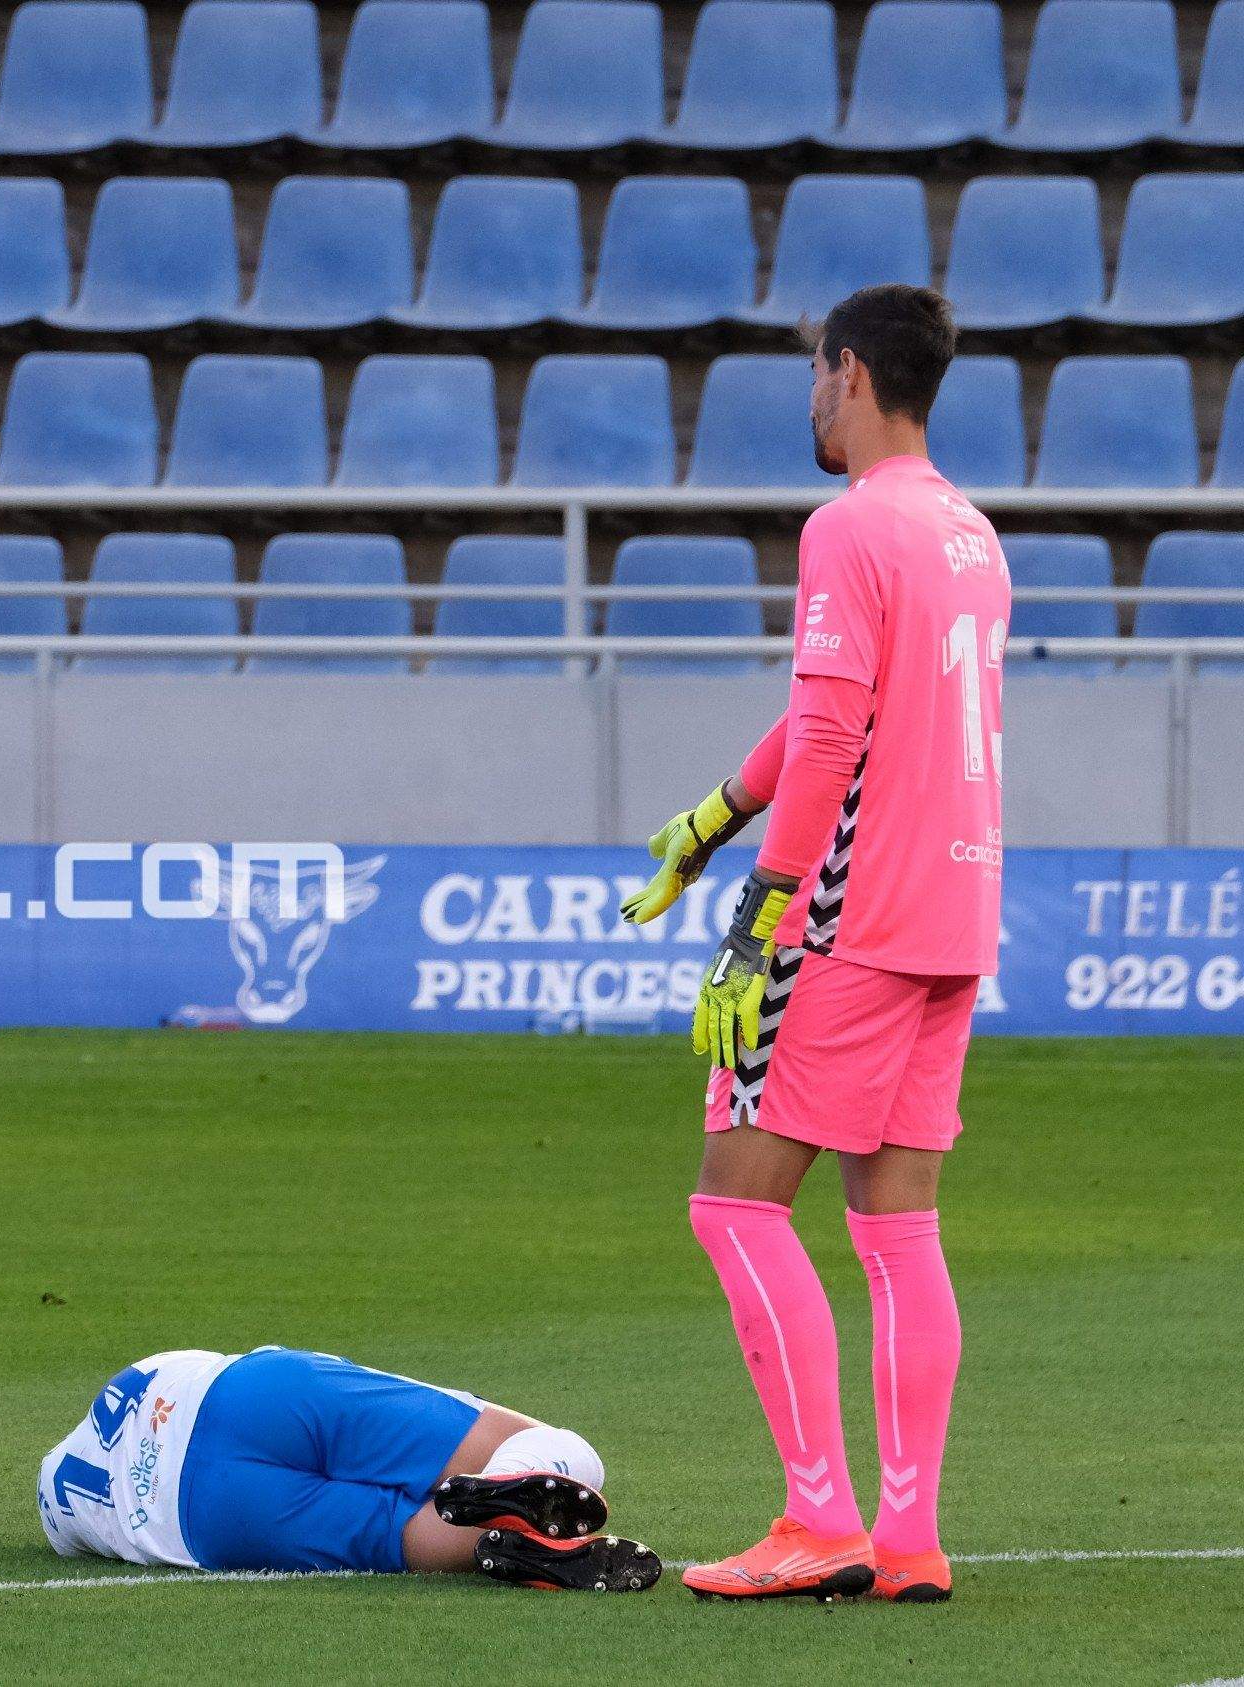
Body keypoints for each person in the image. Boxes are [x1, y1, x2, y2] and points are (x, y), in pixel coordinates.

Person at [623, 284, 1001, 1605]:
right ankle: (906, 1539)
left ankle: (817, 1515)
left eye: (813, 375)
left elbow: (836, 734)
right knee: (899, 1226)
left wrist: (756, 918)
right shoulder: (968, 532)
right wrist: (715, 816)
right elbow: (835, 710)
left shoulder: (847, 527)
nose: (810, 400)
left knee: (734, 1200)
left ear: (847, 373)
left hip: (849, 915)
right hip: (953, 914)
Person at [37, 1346, 660, 1592]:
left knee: (401, 1536)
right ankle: (504, 1480)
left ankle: (492, 1540)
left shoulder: (59, 1498)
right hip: (255, 1394)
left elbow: (65, 1530)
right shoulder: (142, 1378)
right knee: (564, 1450)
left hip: (206, 1516)